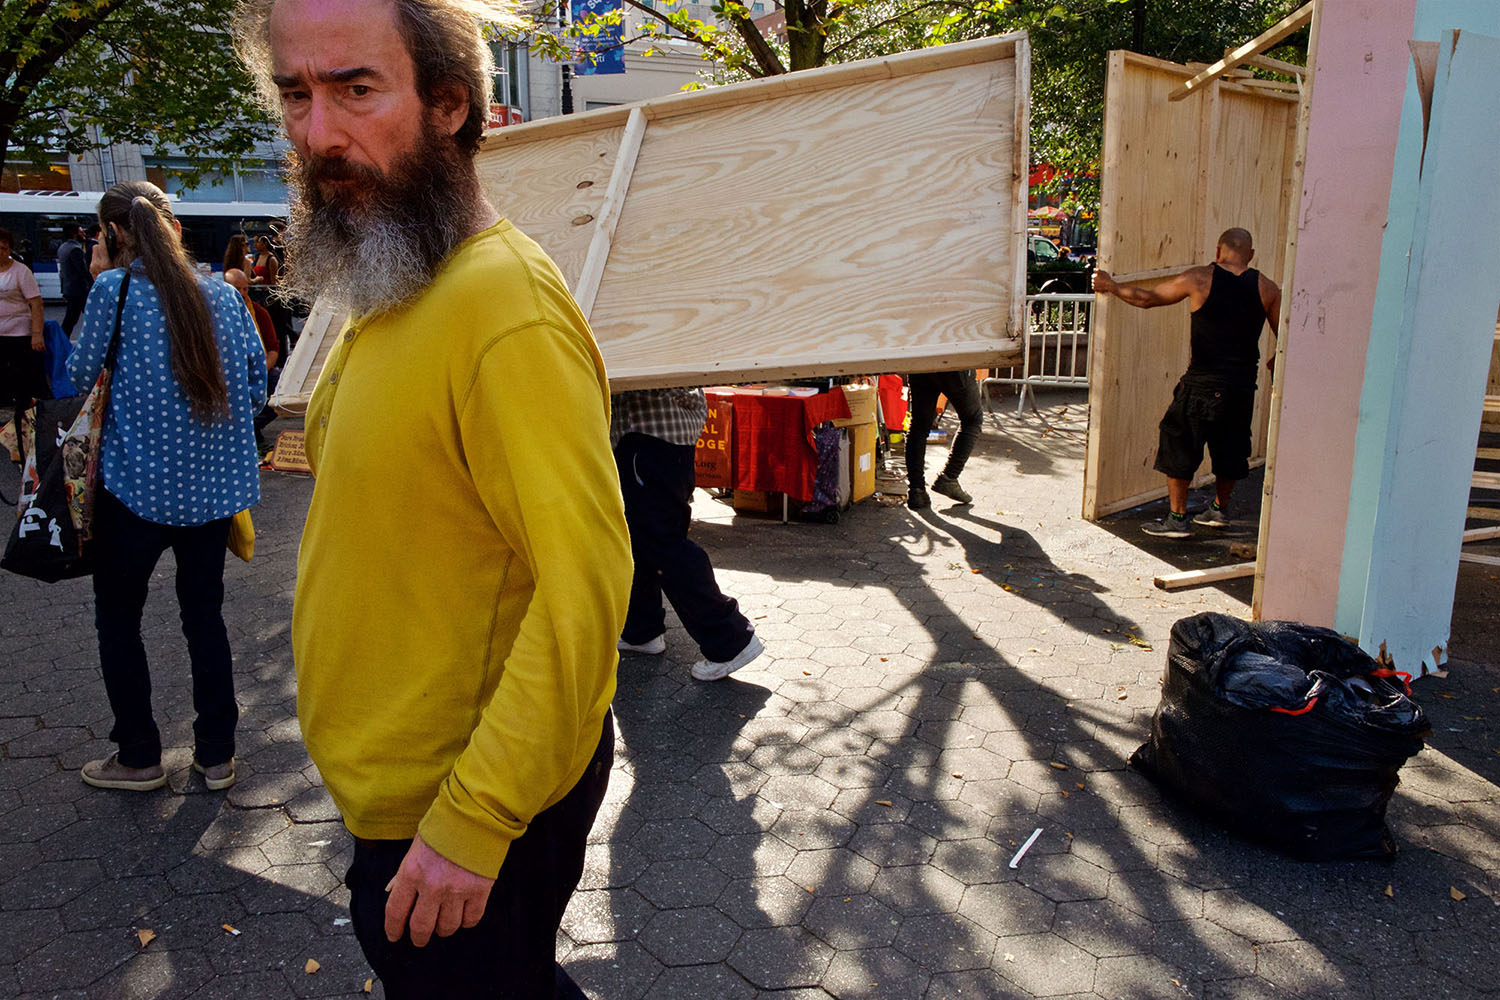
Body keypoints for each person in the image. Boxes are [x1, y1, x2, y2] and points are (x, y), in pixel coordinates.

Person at [234, 1, 632, 996]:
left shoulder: (504, 309)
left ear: (450, 105)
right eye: (296, 93)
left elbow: (585, 591)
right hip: (402, 796)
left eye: (356, 89)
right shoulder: (399, 276)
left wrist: (474, 821)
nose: (318, 133)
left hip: (460, 807)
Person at [69, 181, 267, 792]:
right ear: (173, 228)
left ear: (113, 233)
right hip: (211, 496)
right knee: (204, 617)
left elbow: (77, 374)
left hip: (134, 491)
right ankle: (217, 756)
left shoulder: (114, 290)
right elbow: (256, 388)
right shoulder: (223, 294)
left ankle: (139, 756)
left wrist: (101, 273)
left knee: (118, 619)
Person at [1092, 226, 1281, 538]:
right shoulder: (1267, 288)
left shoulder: (1200, 278)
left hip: (1202, 383)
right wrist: (1275, 361)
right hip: (1241, 386)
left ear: (1218, 251)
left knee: (1179, 443)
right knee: (1231, 449)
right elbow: (1287, 335)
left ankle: (1177, 519)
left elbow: (1148, 299)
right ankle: (1219, 510)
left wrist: (1110, 285)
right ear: (1250, 255)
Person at [612, 387, 764, 681]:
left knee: (663, 543)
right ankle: (641, 630)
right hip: (658, 435)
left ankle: (731, 640)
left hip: (647, 434)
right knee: (639, 539)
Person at [905, 369, 983, 509]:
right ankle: (949, 477)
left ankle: (916, 490)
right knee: (972, 419)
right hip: (954, 364)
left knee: (918, 426)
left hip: (920, 363)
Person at [224, 268, 282, 453]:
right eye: (236, 288)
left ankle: (253, 426)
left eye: (245, 289)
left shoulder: (259, 312)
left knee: (278, 382)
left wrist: (259, 371)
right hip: (229, 373)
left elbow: (273, 350)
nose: (242, 293)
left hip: (257, 369)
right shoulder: (217, 314)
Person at [0, 225, 46, 447]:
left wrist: (37, 335)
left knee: (21, 383)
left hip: (19, 335)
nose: (0, 252)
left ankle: (23, 429)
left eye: (4, 248)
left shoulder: (21, 271)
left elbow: (36, 303)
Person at [58, 222, 94, 337]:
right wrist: (92, 284)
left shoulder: (63, 247)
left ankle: (62, 340)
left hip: (70, 288)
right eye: (81, 231)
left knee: (71, 319)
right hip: (79, 290)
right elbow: (83, 271)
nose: (84, 234)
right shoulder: (75, 249)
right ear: (74, 234)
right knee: (88, 317)